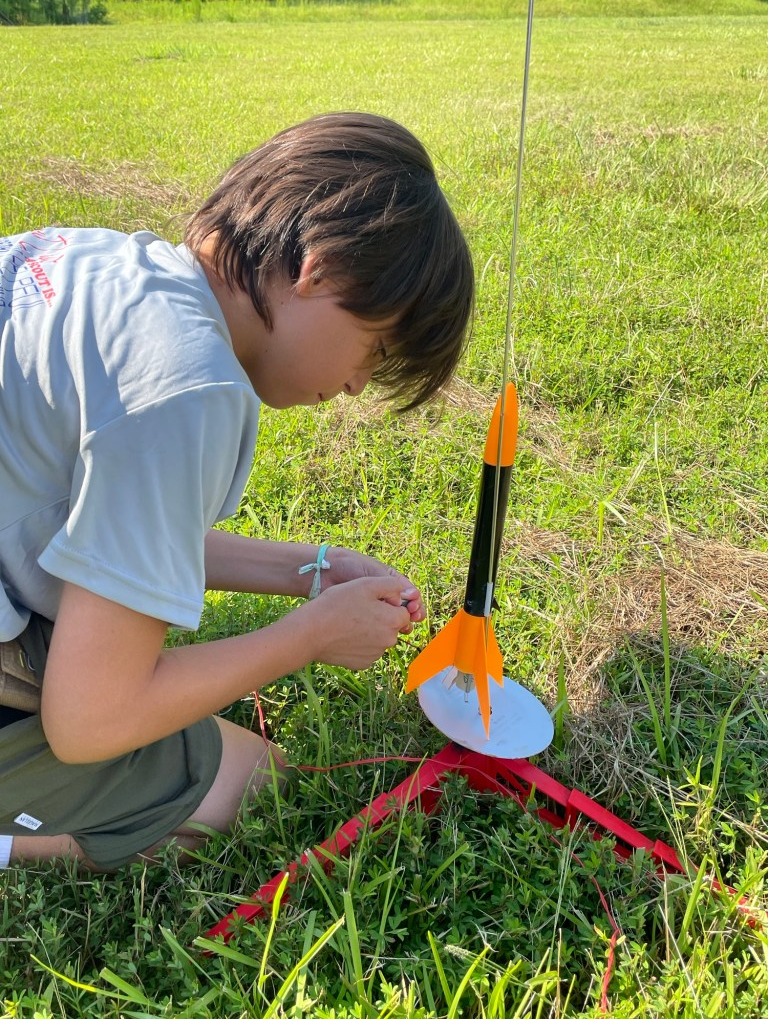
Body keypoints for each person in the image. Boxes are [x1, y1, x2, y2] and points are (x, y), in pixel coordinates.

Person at [0, 111, 474, 872]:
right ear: (321, 270)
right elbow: (89, 720)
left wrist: (309, 569)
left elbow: (91, 520)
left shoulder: (93, 261)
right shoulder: (189, 389)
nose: (358, 385)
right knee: (255, 788)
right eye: (375, 350)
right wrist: (310, 636)